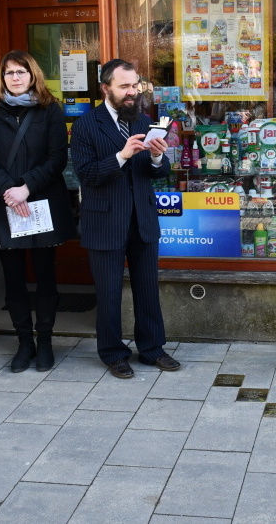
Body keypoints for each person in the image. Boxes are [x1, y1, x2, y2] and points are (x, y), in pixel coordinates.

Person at [70, 58, 180, 378]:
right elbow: (87, 174)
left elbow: (156, 172)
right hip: (105, 221)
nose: (132, 92)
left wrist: (157, 156)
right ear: (106, 88)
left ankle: (152, 348)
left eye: (135, 86)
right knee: (108, 293)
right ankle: (113, 353)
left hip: (142, 219)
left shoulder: (143, 120)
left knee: (147, 289)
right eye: (124, 87)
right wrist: (121, 156)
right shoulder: (86, 125)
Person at [0, 50, 75, 373]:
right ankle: (24, 343)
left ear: (33, 75)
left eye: (21, 72)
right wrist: (9, 190)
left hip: (41, 203)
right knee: (14, 279)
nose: (15, 77)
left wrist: (26, 187)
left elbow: (58, 157)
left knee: (45, 276)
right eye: (9, 73)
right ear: (2, 77)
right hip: (6, 205)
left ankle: (45, 341)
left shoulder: (50, 109)